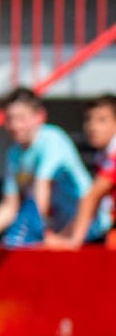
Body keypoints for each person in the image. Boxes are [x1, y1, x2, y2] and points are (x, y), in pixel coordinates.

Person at [0, 86, 103, 249]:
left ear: (39, 116)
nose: (15, 125)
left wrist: (43, 232)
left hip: (90, 232)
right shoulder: (14, 154)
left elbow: (42, 187)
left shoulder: (52, 139)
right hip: (60, 235)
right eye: (10, 119)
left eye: (21, 118)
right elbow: (9, 206)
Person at [52, 94, 116, 250]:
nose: (93, 126)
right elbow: (92, 205)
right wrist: (62, 237)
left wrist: (72, 243)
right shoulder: (102, 155)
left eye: (102, 120)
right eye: (89, 119)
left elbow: (91, 197)